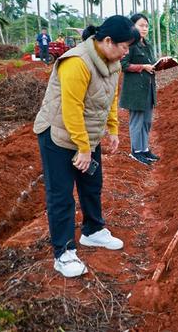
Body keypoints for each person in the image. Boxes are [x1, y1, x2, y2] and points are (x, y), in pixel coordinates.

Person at [33, 15, 140, 277]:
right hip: (57, 134)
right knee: (61, 194)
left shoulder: (112, 62)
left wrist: (113, 129)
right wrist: (82, 147)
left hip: (86, 135)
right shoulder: (77, 62)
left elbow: (110, 98)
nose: (127, 51)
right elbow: (72, 108)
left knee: (92, 184)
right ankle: (63, 251)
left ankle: (92, 230)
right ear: (107, 41)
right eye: (124, 46)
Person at [120, 14, 159, 165]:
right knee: (137, 121)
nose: (144, 28)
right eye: (141, 25)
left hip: (148, 88)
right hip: (135, 90)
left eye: (146, 26)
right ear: (133, 27)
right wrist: (143, 67)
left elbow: (152, 63)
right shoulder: (129, 45)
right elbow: (123, 65)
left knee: (147, 121)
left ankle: (144, 149)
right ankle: (136, 152)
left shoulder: (147, 45)